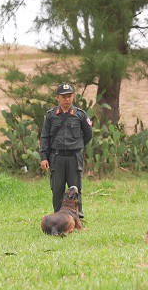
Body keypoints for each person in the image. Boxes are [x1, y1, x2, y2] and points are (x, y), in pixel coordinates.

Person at [40, 84, 93, 218]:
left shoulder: (80, 115)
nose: (67, 100)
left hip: (74, 157)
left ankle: (77, 217)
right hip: (56, 157)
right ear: (58, 98)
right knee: (57, 189)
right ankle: (58, 216)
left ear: (73, 97)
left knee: (76, 188)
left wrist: (76, 145)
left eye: (69, 96)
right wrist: (44, 157)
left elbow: (88, 134)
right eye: (63, 97)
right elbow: (45, 137)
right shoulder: (51, 116)